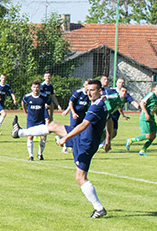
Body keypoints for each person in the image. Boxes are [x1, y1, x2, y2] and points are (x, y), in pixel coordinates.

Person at [12, 78, 109, 218]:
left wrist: (65, 138)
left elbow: (83, 125)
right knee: (53, 126)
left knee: (80, 178)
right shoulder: (101, 102)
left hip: (85, 145)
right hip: (82, 138)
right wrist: (108, 139)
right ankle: (19, 132)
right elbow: (108, 120)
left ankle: (99, 208)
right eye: (88, 90)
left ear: (100, 91)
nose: (88, 93)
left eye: (92, 90)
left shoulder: (97, 106)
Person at [126, 82, 157, 156]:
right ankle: (131, 140)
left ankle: (143, 150)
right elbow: (142, 103)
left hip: (151, 118)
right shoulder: (151, 95)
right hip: (145, 117)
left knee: (153, 135)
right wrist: (146, 113)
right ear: (155, 88)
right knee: (148, 136)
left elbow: (156, 110)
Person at [98, 77, 137, 151]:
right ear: (116, 83)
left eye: (122, 82)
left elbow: (121, 105)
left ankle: (103, 144)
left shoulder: (125, 94)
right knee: (105, 131)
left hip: (115, 114)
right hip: (108, 112)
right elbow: (102, 95)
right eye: (119, 82)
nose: (121, 84)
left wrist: (123, 115)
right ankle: (102, 144)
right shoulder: (111, 91)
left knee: (114, 133)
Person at [20, 79, 50, 161]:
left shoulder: (43, 97)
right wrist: (25, 111)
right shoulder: (28, 97)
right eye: (34, 87)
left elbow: (51, 103)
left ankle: (40, 154)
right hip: (31, 121)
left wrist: (51, 115)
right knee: (30, 137)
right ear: (31, 88)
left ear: (39, 88)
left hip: (41, 121)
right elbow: (23, 102)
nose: (35, 89)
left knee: (43, 138)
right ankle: (31, 156)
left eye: (37, 87)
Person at [58, 81, 91, 154]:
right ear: (84, 85)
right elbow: (71, 102)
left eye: (89, 85)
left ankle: (75, 146)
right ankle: (64, 146)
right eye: (86, 85)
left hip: (82, 114)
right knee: (72, 129)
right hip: (75, 113)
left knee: (81, 129)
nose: (87, 87)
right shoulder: (78, 92)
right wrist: (72, 113)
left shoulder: (89, 94)